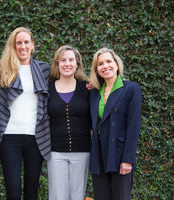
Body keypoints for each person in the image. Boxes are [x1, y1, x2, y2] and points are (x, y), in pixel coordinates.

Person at [0, 27, 51, 200]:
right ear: (13, 45)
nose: (22, 46)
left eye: (26, 42)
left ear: (33, 45)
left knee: (32, 190)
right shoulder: (1, 69)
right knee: (13, 190)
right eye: (18, 43)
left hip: (36, 136)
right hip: (9, 136)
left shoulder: (44, 69)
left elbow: (67, 79)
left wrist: (88, 84)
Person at [89, 47, 142, 200]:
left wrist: (128, 159)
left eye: (108, 61)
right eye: (100, 64)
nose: (105, 66)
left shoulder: (131, 89)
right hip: (98, 154)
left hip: (119, 154)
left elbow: (133, 127)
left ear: (117, 64)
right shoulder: (94, 92)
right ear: (96, 69)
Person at [47, 45, 92, 200]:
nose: (67, 64)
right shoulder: (48, 88)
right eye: (63, 60)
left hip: (82, 151)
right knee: (57, 196)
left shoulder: (87, 88)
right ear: (57, 64)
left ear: (77, 64)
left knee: (77, 196)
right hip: (55, 152)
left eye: (71, 60)